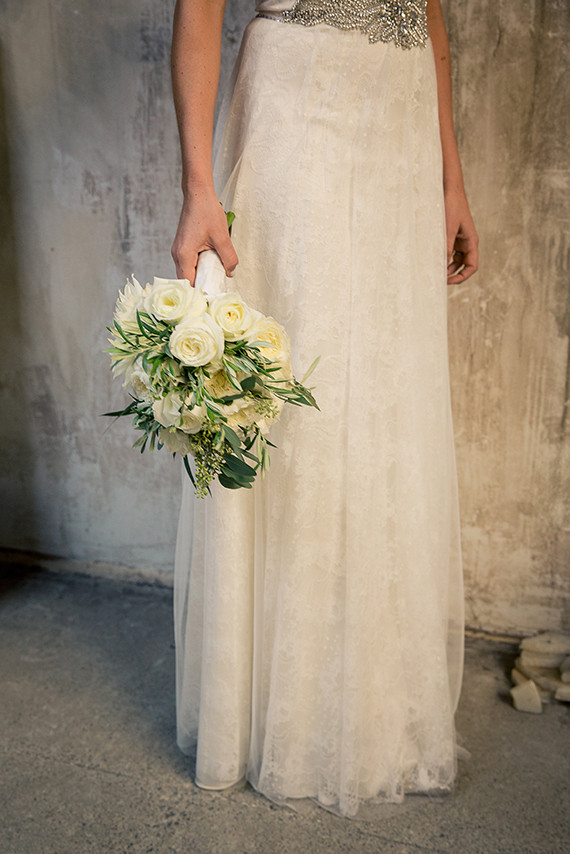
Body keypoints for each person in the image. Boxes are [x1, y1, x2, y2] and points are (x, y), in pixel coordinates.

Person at [171, 0, 478, 819]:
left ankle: (367, 712)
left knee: (385, 400)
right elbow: (199, 8)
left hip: (402, 120)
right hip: (299, 98)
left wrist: (450, 178)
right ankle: (274, 711)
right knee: (293, 393)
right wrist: (199, 187)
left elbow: (431, 17)